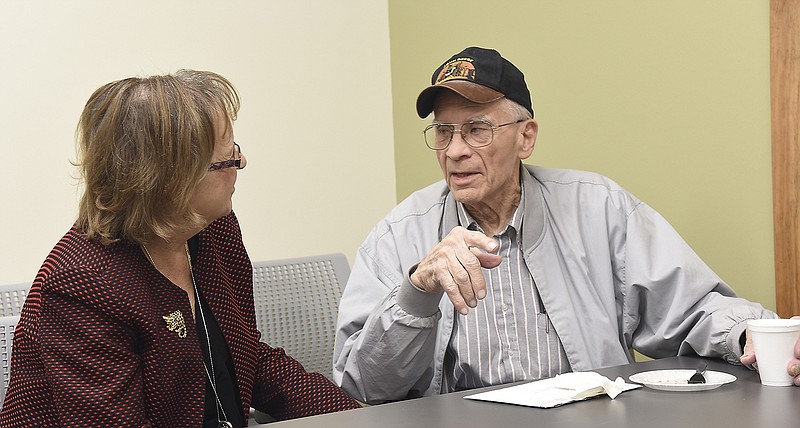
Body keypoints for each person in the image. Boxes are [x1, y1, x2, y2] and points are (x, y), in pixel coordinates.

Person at [333, 46, 798, 404]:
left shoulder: (598, 208)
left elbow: (691, 307)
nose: (454, 151)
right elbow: (361, 388)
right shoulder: (400, 235)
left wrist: (748, 333)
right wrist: (417, 292)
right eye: (443, 132)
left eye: (477, 129)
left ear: (525, 137)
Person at [0, 70, 360, 427]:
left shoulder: (212, 230)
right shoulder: (82, 284)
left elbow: (247, 358)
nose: (242, 164)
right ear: (172, 178)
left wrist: (361, 418)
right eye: (228, 159)